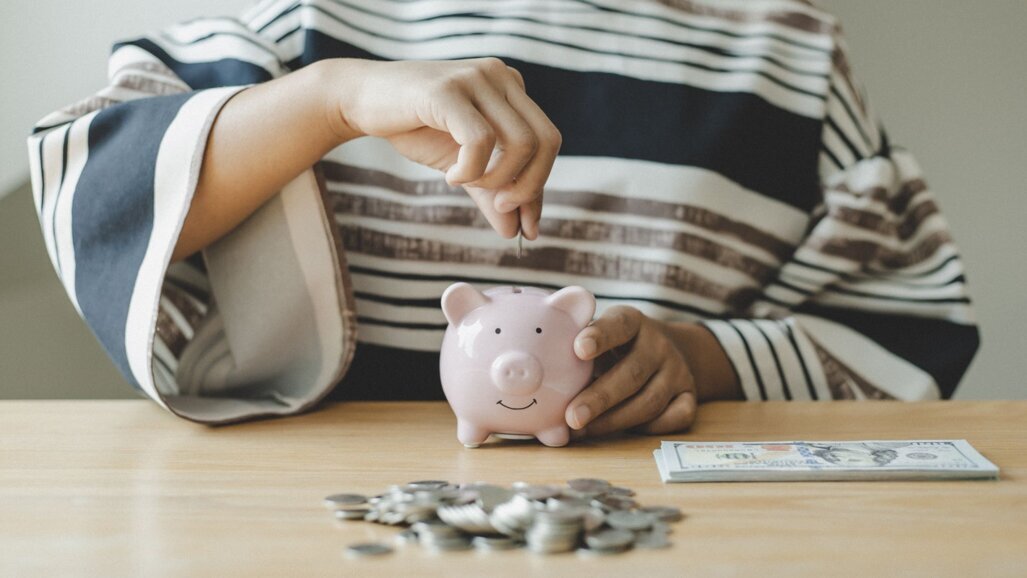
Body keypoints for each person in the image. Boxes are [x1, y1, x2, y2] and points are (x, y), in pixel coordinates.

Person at [27, 0, 979, 433]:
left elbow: (896, 331)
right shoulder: (300, 28)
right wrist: (328, 103)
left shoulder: (789, 52)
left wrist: (693, 357)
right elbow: (89, 188)